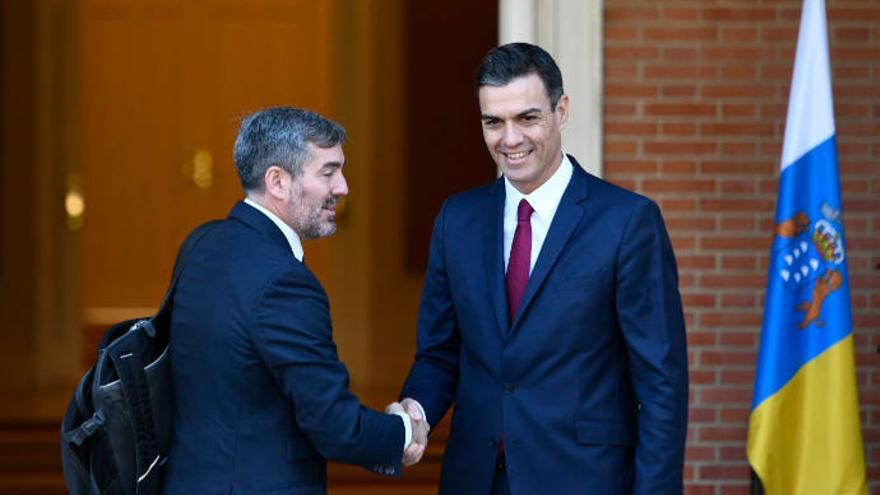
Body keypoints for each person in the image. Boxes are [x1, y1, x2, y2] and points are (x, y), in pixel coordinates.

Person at [399, 43, 688, 494]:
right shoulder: (457, 219)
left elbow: (660, 385)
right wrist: (416, 410)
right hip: (475, 479)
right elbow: (439, 355)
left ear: (561, 110)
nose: (509, 139)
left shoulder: (627, 222)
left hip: (584, 479)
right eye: (493, 122)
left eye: (527, 118)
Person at [162, 107, 427, 494]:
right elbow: (334, 425)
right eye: (328, 172)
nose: (343, 187)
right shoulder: (285, 283)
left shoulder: (201, 244)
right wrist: (404, 431)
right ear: (278, 182)